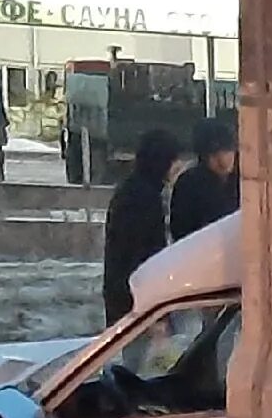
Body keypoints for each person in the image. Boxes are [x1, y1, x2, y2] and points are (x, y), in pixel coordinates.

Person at [101, 128, 180, 323]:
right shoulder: (141, 199)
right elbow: (140, 256)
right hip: (135, 305)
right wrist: (151, 310)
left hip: (128, 300)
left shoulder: (138, 191)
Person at [168, 116, 241, 242]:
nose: (223, 161)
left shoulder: (246, 181)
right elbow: (181, 232)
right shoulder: (189, 185)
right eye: (214, 154)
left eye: (227, 151)